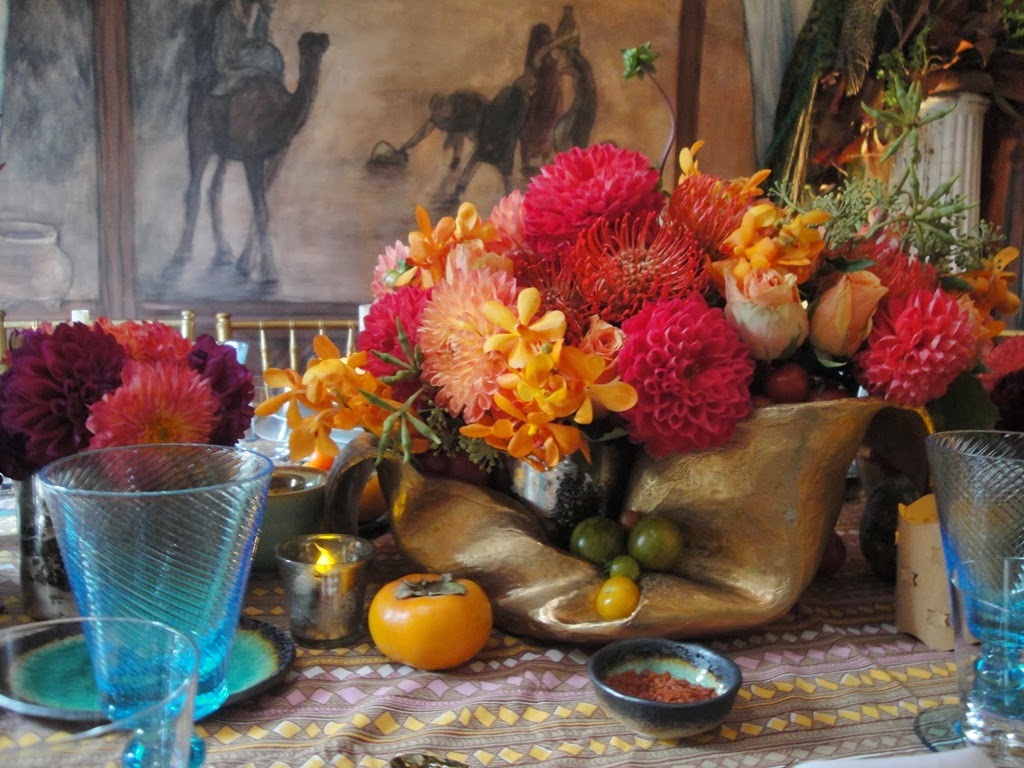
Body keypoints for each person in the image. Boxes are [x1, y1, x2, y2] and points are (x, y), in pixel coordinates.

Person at [211, 0, 284, 97]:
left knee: (274, 56)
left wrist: (258, 44)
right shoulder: (227, 14)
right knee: (269, 55)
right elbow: (223, 53)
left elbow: (262, 40)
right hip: (234, 63)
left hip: (256, 60)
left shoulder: (258, 12)